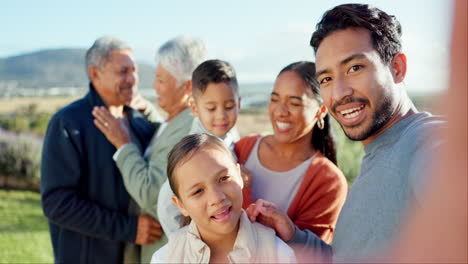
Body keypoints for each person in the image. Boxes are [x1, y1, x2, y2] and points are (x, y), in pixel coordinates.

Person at [246, 4, 446, 262]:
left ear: (397, 68)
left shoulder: (429, 141)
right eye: (326, 79)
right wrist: (294, 236)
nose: (339, 93)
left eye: (354, 68)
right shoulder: (376, 158)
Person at [41, 36, 162, 264]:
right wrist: (128, 228)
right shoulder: (68, 123)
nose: (132, 79)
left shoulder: (138, 120)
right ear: (95, 74)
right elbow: (56, 203)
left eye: (134, 70)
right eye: (123, 72)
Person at [91, 35, 207, 262]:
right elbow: (164, 137)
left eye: (161, 81)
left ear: (187, 86)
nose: (154, 86)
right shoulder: (176, 118)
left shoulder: (190, 130)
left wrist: (123, 144)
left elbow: (151, 194)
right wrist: (148, 111)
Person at [236, 61, 348, 245]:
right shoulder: (244, 148)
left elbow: (306, 255)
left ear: (321, 111)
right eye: (274, 99)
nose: (280, 111)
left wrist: (243, 194)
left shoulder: (328, 183)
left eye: (294, 103)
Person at [151, 134, 296, 263]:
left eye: (224, 178)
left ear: (239, 176)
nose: (217, 197)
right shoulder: (164, 258)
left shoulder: (279, 254)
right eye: (198, 191)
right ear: (181, 205)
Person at [157, 59, 241, 236]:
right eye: (211, 108)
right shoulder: (191, 153)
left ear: (239, 104)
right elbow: (166, 207)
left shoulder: (231, 135)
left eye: (229, 106)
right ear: (194, 107)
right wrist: (186, 243)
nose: (221, 116)